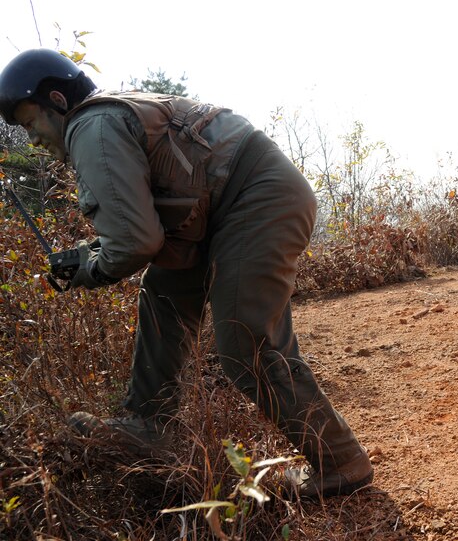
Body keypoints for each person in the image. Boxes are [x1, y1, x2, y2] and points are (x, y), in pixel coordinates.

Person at [0, 48, 373, 498]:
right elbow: (148, 218)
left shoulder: (89, 127)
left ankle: (340, 462)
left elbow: (136, 242)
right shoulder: (106, 117)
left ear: (56, 100)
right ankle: (148, 423)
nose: (32, 139)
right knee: (163, 293)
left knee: (244, 339)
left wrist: (92, 271)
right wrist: (90, 252)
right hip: (217, 211)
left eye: (29, 123)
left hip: (253, 197)